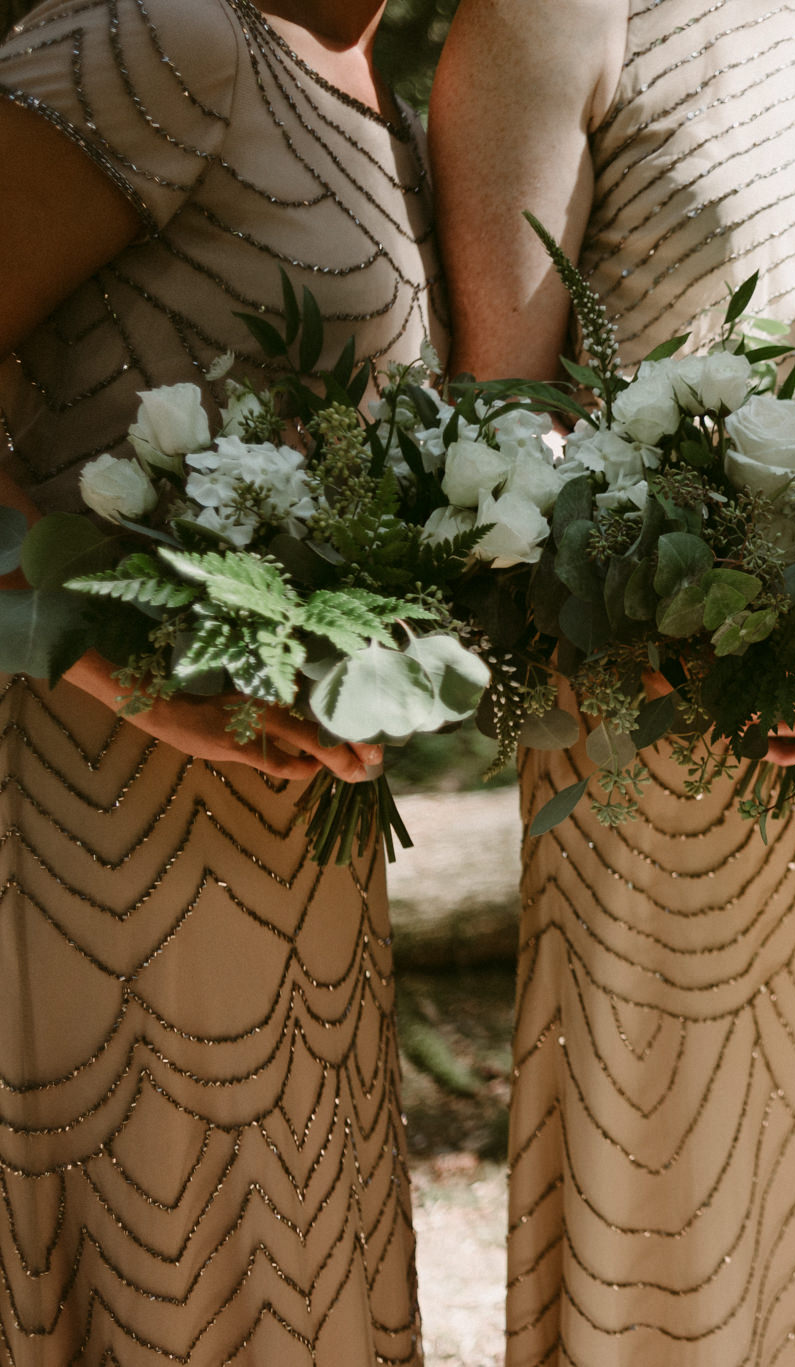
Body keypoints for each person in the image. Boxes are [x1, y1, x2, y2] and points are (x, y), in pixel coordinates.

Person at [427, 4, 795, 1363]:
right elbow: (499, 427)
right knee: (686, 1211)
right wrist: (711, 646)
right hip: (655, 744)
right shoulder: (551, 15)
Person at [0, 0, 438, 1360]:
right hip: (74, 813)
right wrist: (97, 655)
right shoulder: (164, 36)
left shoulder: (387, 97)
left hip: (280, 838)